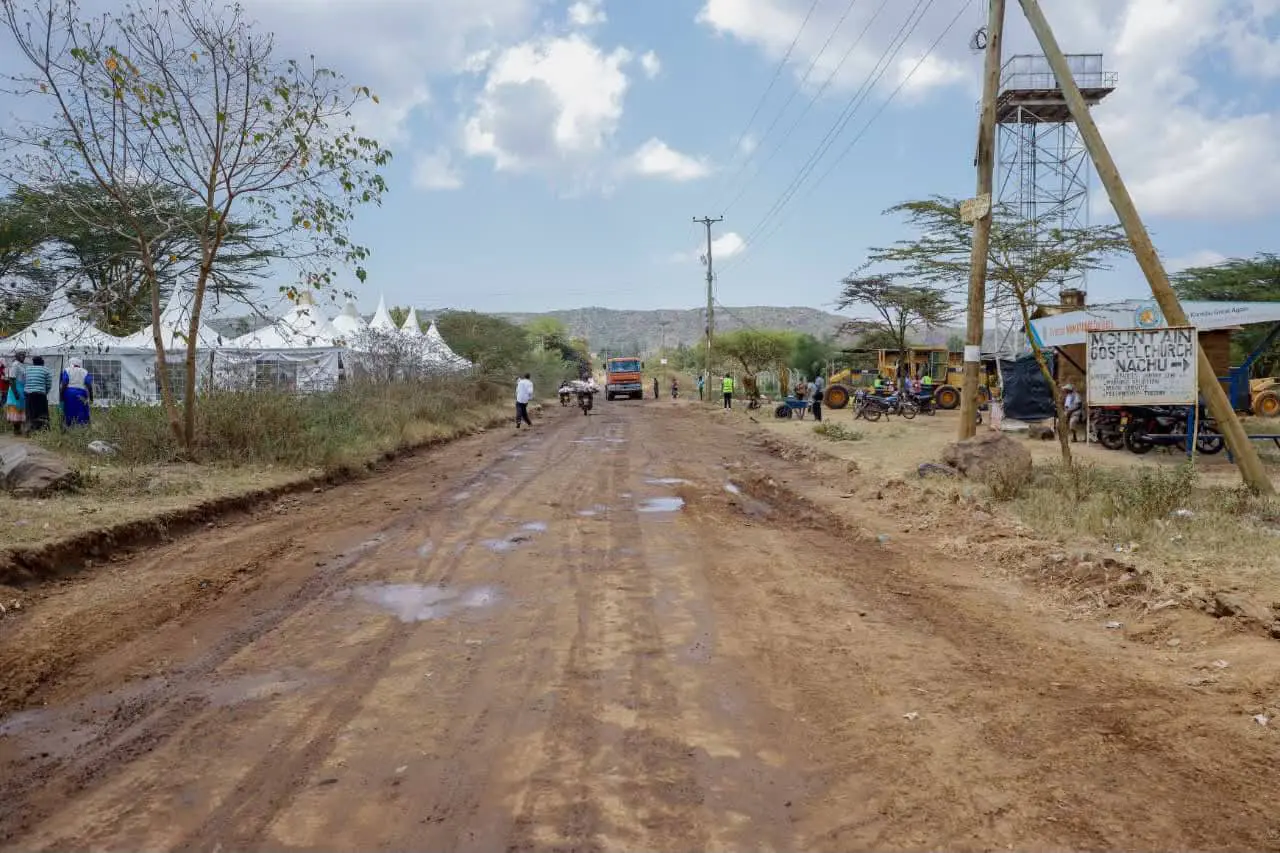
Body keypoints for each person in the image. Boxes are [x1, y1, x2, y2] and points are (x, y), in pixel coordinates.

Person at [61, 357, 94, 428]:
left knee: (69, 410)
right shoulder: (84, 371)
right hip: (81, 393)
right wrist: (91, 397)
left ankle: (69, 426)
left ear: (71, 363)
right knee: (82, 410)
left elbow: (64, 382)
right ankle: (82, 426)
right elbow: (89, 384)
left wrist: (61, 394)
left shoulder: (67, 370)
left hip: (69, 393)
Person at [23, 355, 53, 432]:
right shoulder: (45, 370)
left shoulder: (27, 369)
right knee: (42, 413)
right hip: (40, 394)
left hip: (28, 394)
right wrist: (45, 392)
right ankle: (42, 430)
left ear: (33, 362)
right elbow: (49, 384)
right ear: (42, 362)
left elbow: (24, 381)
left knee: (30, 412)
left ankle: (29, 429)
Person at [5, 352, 27, 435]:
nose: (23, 357)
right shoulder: (15, 365)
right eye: (21, 355)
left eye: (24, 355)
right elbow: (11, 379)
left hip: (21, 389)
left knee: (20, 409)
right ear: (16, 356)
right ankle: (16, 430)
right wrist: (15, 392)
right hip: (16, 390)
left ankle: (18, 430)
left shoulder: (21, 365)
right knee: (15, 409)